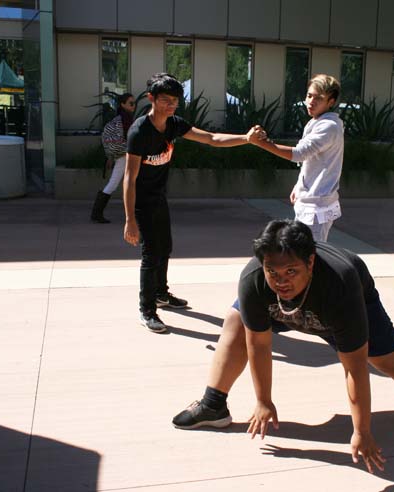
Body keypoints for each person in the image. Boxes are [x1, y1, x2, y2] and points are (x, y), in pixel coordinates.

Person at [172, 219, 394, 474]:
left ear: (311, 262)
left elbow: (354, 367)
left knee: (388, 361)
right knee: (235, 321)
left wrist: (362, 431)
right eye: (273, 271)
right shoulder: (253, 280)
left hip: (340, 306)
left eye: (291, 271)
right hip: (285, 310)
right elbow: (258, 343)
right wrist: (263, 400)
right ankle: (213, 405)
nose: (281, 281)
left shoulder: (340, 283)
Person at [123, 73, 262, 333]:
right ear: (151, 98)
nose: (171, 105)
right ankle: (147, 309)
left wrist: (246, 138)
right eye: (165, 100)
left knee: (165, 248)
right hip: (141, 201)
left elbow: (211, 138)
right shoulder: (139, 131)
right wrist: (130, 219)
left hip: (159, 197)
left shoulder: (174, 124)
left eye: (175, 101)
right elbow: (129, 179)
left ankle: (161, 294)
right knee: (151, 254)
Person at [248, 74, 344, 242]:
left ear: (331, 102)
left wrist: (261, 143)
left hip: (317, 206)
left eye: (318, 98)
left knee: (311, 256)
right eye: (309, 95)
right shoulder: (318, 122)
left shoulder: (328, 126)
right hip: (311, 202)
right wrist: (299, 185)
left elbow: (299, 153)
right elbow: (309, 159)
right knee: (303, 254)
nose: (311, 101)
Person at [91, 93, 136, 223]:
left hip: (125, 156)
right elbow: (122, 140)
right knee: (115, 183)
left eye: (134, 103)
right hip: (125, 156)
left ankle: (97, 213)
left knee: (126, 183)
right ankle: (96, 213)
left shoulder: (124, 118)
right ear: (123, 104)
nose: (133, 105)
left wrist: (111, 156)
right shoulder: (122, 120)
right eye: (131, 103)